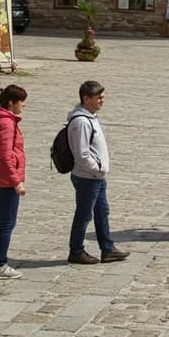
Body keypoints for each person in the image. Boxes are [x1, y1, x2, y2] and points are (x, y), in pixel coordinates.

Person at [67, 81, 129, 265]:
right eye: (98, 97)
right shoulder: (81, 122)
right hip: (88, 177)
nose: (102, 100)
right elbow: (82, 153)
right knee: (84, 214)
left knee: (102, 212)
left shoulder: (91, 117)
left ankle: (107, 249)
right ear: (86, 99)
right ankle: (76, 250)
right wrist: (97, 169)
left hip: (97, 177)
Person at [0, 84, 28, 279]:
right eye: (22, 102)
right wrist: (16, 181)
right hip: (3, 180)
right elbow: (4, 156)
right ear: (12, 103)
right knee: (6, 223)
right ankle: (0, 264)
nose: (24, 106)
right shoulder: (6, 123)